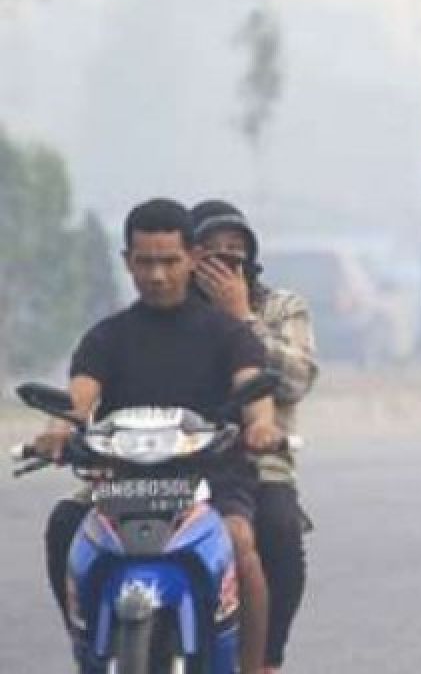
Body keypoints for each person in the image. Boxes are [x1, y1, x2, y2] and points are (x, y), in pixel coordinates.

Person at [36, 198, 281, 674]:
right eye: (145, 262)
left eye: (169, 261)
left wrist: (262, 424)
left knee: (240, 544)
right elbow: (79, 398)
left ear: (191, 256)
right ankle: (87, 645)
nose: (157, 275)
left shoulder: (228, 333)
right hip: (122, 479)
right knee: (65, 528)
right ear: (127, 260)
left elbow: (254, 386)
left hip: (211, 478)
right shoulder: (106, 337)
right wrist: (57, 430)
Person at [191, 199, 319, 674]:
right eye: (211, 253)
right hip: (172, 455)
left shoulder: (281, 307)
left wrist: (241, 317)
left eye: (236, 253)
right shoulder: (169, 311)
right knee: (72, 521)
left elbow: (298, 379)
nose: (224, 265)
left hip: (257, 456)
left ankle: (266, 659)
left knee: (280, 530)